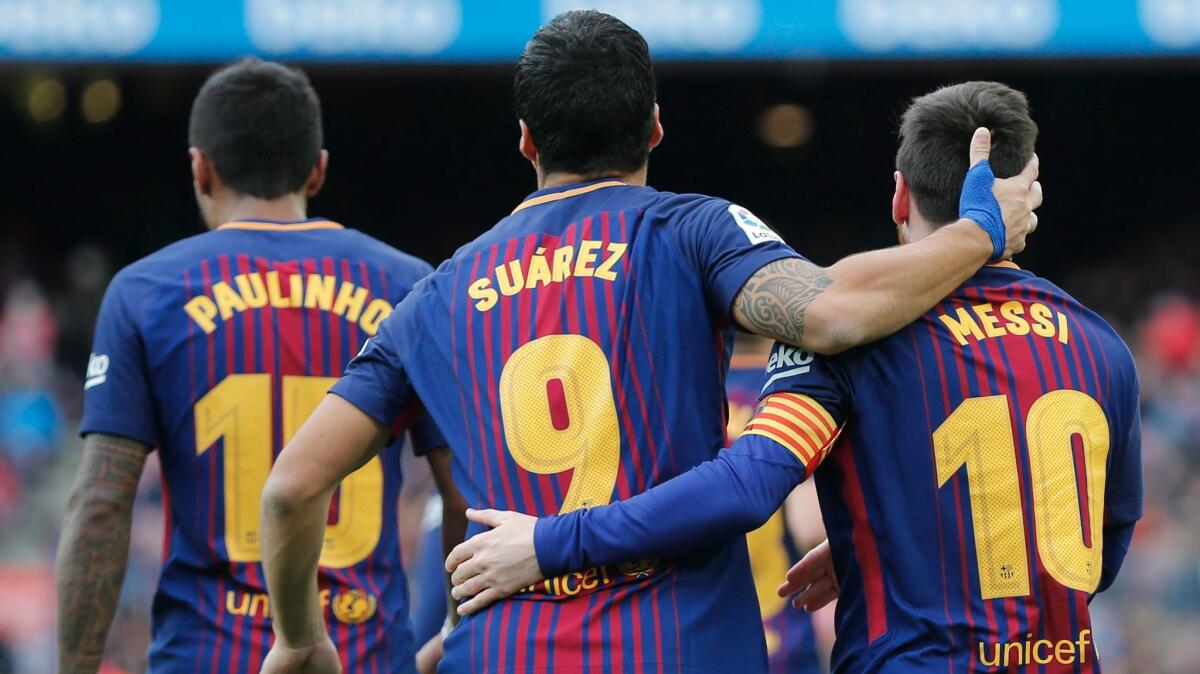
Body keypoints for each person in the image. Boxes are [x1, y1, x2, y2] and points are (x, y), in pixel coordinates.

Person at [258, 12, 1040, 674]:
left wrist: (299, 639)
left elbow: (292, 488)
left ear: (527, 142)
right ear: (656, 128)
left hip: (508, 646)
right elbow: (834, 313)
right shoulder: (690, 230)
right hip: (682, 643)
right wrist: (980, 232)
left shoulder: (432, 297)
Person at [447, 81, 1141, 674]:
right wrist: (897, 542)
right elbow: (1095, 559)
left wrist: (550, 543)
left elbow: (748, 485)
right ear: (1027, 192)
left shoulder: (859, 337)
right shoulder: (1100, 345)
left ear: (899, 197)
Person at [55, 58, 464, 674]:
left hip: (202, 658)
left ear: (201, 167)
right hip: (365, 656)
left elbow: (102, 504)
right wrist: (459, 627)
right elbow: (463, 485)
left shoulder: (147, 292)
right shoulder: (409, 286)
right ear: (318, 169)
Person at [727, 334, 826, 673]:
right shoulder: (796, 383)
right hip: (786, 641)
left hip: (709, 642)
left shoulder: (685, 390)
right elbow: (810, 527)